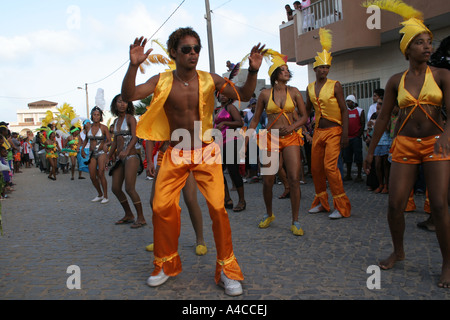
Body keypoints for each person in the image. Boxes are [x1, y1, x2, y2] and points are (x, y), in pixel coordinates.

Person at [122, 27, 266, 296]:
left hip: (206, 151)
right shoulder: (161, 80)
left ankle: (227, 269)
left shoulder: (210, 79)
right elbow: (129, 95)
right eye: (186, 49)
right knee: (161, 207)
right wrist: (132, 66)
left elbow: (244, 94)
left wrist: (254, 70)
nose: (193, 53)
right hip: (175, 153)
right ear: (174, 52)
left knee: (218, 209)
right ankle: (165, 263)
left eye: (196, 48)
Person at [363, 0, 450, 289]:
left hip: (436, 143)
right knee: (394, 205)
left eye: (429, 42)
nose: (427, 47)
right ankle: (398, 251)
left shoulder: (441, 76)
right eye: (420, 43)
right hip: (403, 145)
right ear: (407, 50)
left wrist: (447, 137)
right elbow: (385, 116)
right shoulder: (394, 81)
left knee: (438, 204)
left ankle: (447, 263)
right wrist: (371, 150)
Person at [247, 49, 308, 235]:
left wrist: (292, 127)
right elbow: (256, 118)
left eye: (287, 69)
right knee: (267, 181)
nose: (286, 71)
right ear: (275, 74)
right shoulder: (265, 94)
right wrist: (247, 135)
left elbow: (305, 116)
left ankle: (295, 221)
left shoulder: (295, 92)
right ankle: (269, 214)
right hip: (271, 139)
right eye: (282, 69)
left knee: (294, 179)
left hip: (290, 138)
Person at [306, 28, 351, 219]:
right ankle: (322, 203)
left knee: (330, 168)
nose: (324, 70)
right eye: (321, 67)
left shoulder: (336, 85)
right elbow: (306, 111)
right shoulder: (309, 88)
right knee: (315, 168)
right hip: (318, 132)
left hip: (334, 130)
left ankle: (341, 207)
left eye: (327, 67)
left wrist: (345, 134)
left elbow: (343, 109)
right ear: (315, 69)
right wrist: (299, 126)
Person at [145, 140, 207, 256]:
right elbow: (149, 138)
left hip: (185, 156)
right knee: (154, 201)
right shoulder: (157, 120)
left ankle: (200, 240)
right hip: (164, 157)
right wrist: (149, 161)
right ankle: (161, 239)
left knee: (190, 199)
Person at [108, 94, 146, 228]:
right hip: (120, 158)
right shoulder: (116, 121)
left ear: (128, 104)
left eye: (125, 102)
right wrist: (109, 156)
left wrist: (126, 150)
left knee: (129, 188)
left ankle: (141, 218)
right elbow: (114, 142)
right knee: (115, 188)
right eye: (119, 101)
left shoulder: (131, 119)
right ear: (115, 104)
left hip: (131, 156)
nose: (122, 104)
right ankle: (129, 214)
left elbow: (136, 137)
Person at [215, 94, 246, 212]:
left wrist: (225, 123)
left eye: (225, 94)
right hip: (220, 143)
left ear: (229, 96)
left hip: (231, 141)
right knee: (218, 172)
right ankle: (227, 198)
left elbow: (240, 123)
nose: (223, 96)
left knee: (233, 171)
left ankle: (242, 201)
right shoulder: (219, 110)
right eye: (220, 94)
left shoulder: (230, 107)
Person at [81, 107, 111, 204]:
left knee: (101, 173)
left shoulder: (104, 128)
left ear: (100, 116)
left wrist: (106, 144)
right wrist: (82, 148)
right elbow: (86, 139)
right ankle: (100, 194)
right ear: (92, 116)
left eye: (98, 115)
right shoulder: (89, 128)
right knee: (92, 176)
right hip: (92, 154)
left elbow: (110, 140)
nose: (96, 116)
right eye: (94, 115)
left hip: (101, 152)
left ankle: (106, 196)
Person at [370, 98, 392, 194]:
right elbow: (371, 131)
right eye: (377, 104)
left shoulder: (388, 116)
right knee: (377, 164)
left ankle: (386, 185)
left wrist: (380, 123)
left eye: (380, 104)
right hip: (377, 143)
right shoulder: (374, 115)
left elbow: (388, 129)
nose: (378, 105)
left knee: (385, 165)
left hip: (386, 142)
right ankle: (380, 184)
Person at [343, 95, 365, 182]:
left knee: (358, 157)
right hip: (348, 137)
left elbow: (363, 123)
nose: (348, 103)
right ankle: (348, 174)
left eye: (349, 101)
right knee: (347, 157)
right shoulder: (346, 112)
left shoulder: (360, 111)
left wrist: (359, 135)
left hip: (356, 138)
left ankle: (359, 175)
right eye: (347, 101)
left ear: (353, 102)